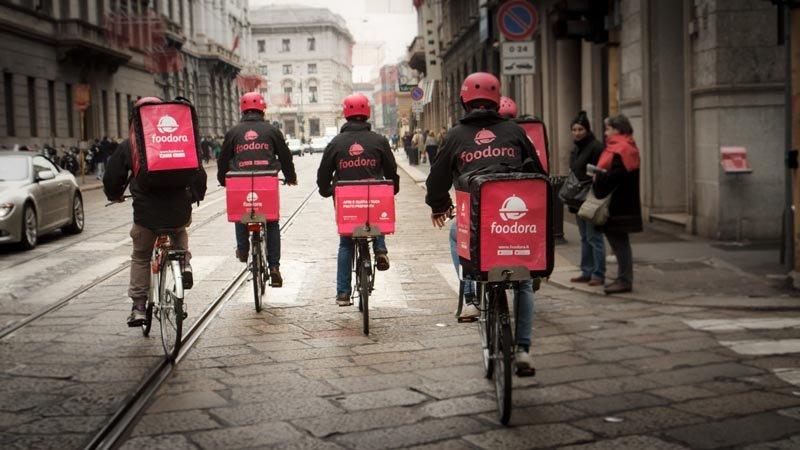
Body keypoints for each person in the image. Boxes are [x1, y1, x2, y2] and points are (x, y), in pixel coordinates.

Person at [425, 72, 544, 370]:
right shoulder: (515, 131)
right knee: (523, 280)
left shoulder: (456, 135)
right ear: (495, 100)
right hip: (514, 222)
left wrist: (439, 206)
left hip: (475, 224)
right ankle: (523, 349)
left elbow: (437, 179)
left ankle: (469, 298)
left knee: (458, 236)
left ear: (464, 101)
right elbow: (538, 173)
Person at [103, 97, 207, 327]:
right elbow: (199, 172)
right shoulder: (180, 139)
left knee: (141, 256)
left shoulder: (130, 144)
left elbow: (112, 177)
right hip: (178, 211)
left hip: (146, 216)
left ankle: (139, 307)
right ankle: (183, 263)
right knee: (179, 231)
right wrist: (196, 195)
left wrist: (114, 194)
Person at [316, 93, 400, 306]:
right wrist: (393, 189)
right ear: (367, 113)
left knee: (346, 243)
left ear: (346, 114)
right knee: (377, 213)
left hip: (347, 202)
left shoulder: (336, 143)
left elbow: (323, 174)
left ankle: (343, 293)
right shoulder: (379, 140)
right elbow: (391, 170)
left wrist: (326, 190)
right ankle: (380, 250)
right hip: (374, 199)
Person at [217, 92, 297, 287]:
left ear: (242, 110)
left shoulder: (233, 132)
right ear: (262, 109)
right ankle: (274, 267)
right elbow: (285, 156)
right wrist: (290, 177)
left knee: (240, 212)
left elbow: (223, 159)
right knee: (271, 221)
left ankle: (243, 249)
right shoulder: (272, 131)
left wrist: (223, 179)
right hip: (266, 181)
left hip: (239, 181)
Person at [592, 114, 642, 294]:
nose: (606, 133)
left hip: (619, 204)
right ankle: (623, 278)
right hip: (619, 203)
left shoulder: (622, 149)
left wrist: (599, 176)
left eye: (608, 129)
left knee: (620, 243)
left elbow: (617, 176)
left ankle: (625, 280)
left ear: (618, 129)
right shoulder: (622, 147)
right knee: (618, 243)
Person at [568, 111, 606, 286]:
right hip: (578, 198)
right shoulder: (576, 148)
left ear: (587, 129)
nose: (577, 133)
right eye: (574, 129)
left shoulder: (596, 147)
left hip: (591, 199)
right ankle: (586, 271)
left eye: (580, 129)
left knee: (594, 237)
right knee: (584, 237)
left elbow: (601, 172)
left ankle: (598, 273)